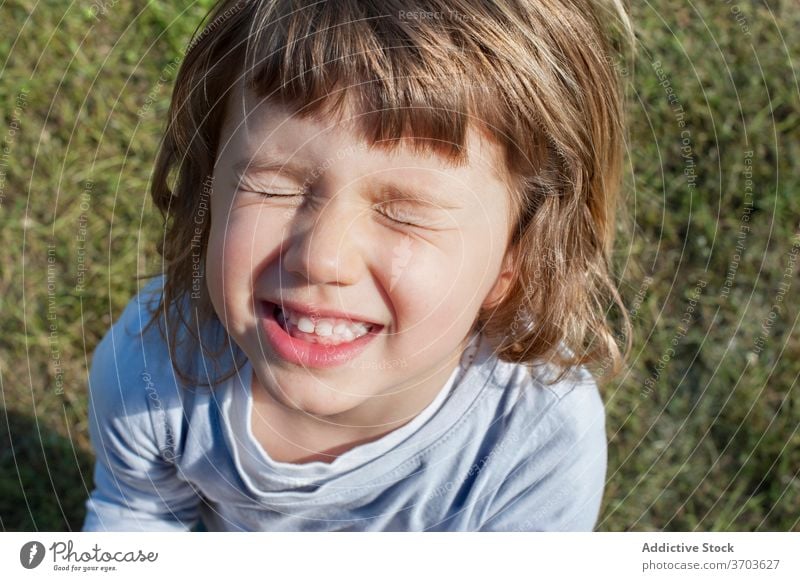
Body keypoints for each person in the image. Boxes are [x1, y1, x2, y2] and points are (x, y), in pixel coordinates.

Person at [82, 0, 633, 532]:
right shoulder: (154, 365)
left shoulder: (537, 444)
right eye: (272, 186)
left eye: (405, 214)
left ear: (518, 255)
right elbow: (139, 515)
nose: (322, 257)